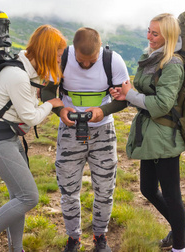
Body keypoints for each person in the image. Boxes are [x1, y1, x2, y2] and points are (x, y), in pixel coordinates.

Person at [0, 25, 66, 252]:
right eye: (58, 56)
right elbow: (30, 117)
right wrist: (51, 104)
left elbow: (25, 109)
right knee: (28, 197)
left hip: (8, 138)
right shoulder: (17, 75)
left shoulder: (24, 71)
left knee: (18, 198)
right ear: (48, 53)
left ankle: (16, 249)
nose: (59, 60)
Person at [41, 27, 129, 252]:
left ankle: (100, 237)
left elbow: (124, 98)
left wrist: (103, 110)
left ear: (100, 50)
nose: (87, 65)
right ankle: (74, 239)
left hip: (103, 132)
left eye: (92, 61)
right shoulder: (63, 58)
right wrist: (60, 111)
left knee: (105, 189)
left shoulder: (113, 60)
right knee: (68, 189)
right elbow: (47, 92)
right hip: (69, 132)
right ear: (73, 50)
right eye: (82, 61)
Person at [109, 13, 185, 252]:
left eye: (155, 33)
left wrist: (131, 95)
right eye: (148, 31)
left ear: (168, 36)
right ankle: (179, 231)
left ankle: (179, 247)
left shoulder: (172, 63)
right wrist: (126, 96)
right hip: (149, 133)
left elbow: (163, 104)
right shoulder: (150, 57)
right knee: (147, 188)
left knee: (172, 194)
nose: (149, 36)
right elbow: (144, 94)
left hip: (164, 136)